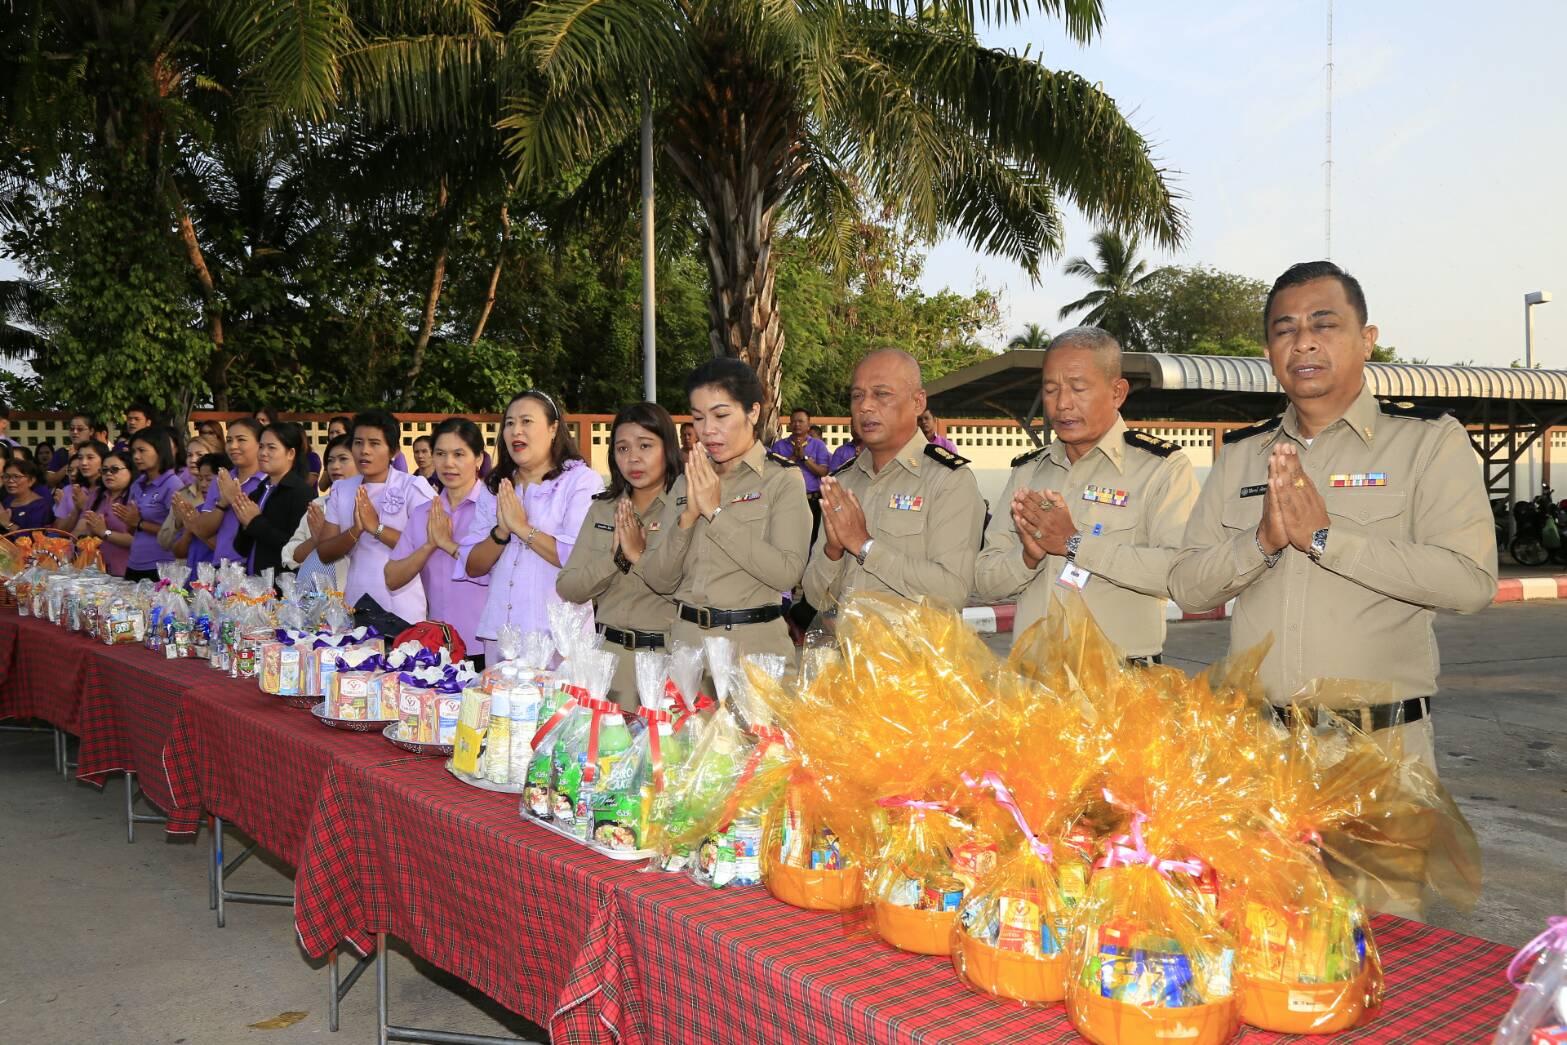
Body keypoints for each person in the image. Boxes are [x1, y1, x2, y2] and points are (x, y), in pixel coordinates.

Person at [1168, 261, 1498, 916]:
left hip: (1375, 754)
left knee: (1379, 943)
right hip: (1262, 754)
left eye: (1324, 324)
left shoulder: (1425, 442)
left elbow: (1469, 580)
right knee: (1262, 936)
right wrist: (1261, 542)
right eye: (1284, 329)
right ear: (1268, 352)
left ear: (1366, 339)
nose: (1303, 343)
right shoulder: (1242, 454)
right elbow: (1186, 582)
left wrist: (1325, 538)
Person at [974, 327, 1199, 662]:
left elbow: (1183, 576)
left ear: (1117, 392)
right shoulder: (1028, 471)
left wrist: (1075, 543)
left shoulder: (1161, 469)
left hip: (1120, 682)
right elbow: (984, 580)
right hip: (1033, 681)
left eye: (1078, 388)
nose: (1062, 404)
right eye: (1051, 390)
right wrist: (1027, 558)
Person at [636, 359, 810, 670]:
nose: (707, 430)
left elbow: (787, 573)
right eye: (698, 417)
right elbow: (657, 578)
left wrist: (715, 513)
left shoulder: (781, 479)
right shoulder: (686, 482)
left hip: (754, 651)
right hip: (688, 649)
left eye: (721, 415)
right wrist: (687, 519)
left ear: (752, 412)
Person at [803, 350, 985, 615]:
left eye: (881, 394)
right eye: (857, 396)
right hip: (847, 642)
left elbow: (952, 592)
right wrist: (834, 551)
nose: (865, 406)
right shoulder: (843, 482)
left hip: (915, 643)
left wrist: (864, 546)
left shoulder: (949, 480)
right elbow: (815, 598)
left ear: (918, 402)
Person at [557, 403, 685, 709]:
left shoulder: (686, 509)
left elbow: (690, 588)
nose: (633, 458)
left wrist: (640, 556)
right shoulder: (604, 509)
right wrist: (616, 559)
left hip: (667, 661)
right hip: (608, 660)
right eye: (622, 448)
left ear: (668, 448)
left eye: (645, 446)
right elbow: (569, 587)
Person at [464, 391, 602, 661]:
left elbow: (577, 556)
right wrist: (502, 532)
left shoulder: (581, 481)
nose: (516, 431)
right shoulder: (497, 485)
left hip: (560, 640)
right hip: (503, 638)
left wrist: (522, 527)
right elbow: (472, 565)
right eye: (510, 423)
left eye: (526, 421)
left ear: (553, 428)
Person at [386, 419, 493, 663]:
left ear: (478, 458)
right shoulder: (424, 513)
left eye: (459, 454)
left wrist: (447, 544)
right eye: (441, 454)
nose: (448, 463)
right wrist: (430, 545)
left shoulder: (495, 509)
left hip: (487, 647)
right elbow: (392, 577)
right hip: (437, 647)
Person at [315, 410, 435, 624]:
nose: (364, 451)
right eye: (358, 443)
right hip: (356, 600)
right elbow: (324, 553)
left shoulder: (412, 487)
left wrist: (376, 528)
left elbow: (427, 545)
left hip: (403, 605)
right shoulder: (342, 489)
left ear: (393, 451)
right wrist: (355, 531)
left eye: (374, 443)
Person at [232, 422, 314, 579]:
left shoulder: (301, 493)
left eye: (271, 447)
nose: (263, 453)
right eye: (261, 446)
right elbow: (241, 548)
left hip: (283, 583)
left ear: (290, 453)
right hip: (254, 581)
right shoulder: (258, 491)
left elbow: (296, 548)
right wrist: (245, 522)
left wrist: (255, 522)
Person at [181, 417, 265, 568]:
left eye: (241, 440)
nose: (233, 446)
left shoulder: (267, 481)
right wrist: (222, 503)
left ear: (260, 444)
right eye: (229, 440)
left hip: (255, 568)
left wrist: (234, 499)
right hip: (222, 567)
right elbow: (204, 530)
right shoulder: (222, 478)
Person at [283, 434, 353, 594]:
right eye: (330, 460)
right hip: (309, 600)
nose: (334, 466)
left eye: (343, 459)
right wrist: (315, 541)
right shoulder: (318, 505)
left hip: (350, 600)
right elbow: (292, 556)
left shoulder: (368, 506)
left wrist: (328, 539)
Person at [119, 426, 182, 581]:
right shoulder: (137, 484)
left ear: (160, 451)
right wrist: (129, 520)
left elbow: (178, 533)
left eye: (142, 450)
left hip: (162, 567)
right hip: (135, 562)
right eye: (133, 451)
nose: (136, 456)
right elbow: (132, 529)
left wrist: (140, 523)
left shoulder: (173, 485)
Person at [770, 408, 831, 547]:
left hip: (812, 500)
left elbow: (823, 472)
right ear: (789, 425)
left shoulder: (818, 445)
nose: (797, 424)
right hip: (786, 499)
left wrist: (804, 458)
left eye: (801, 421)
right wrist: (793, 457)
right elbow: (774, 473)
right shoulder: (779, 446)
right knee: (788, 539)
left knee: (812, 540)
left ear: (808, 424)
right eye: (794, 421)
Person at [158, 436, 220, 560]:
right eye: (189, 455)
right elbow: (164, 542)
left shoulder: (226, 494)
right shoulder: (183, 494)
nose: (193, 460)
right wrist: (178, 521)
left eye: (199, 455)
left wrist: (195, 524)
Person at [77, 449, 135, 577]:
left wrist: (104, 532)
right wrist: (88, 533)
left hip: (126, 573)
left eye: (114, 469)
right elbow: (82, 531)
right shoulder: (97, 495)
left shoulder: (136, 498)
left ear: (131, 471)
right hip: (96, 573)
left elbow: (137, 540)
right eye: (104, 470)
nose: (108, 473)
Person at [170, 451, 229, 571]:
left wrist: (196, 527)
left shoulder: (229, 512)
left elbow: (225, 553)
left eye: (208, 479)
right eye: (200, 479)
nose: (203, 484)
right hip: (193, 578)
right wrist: (188, 530)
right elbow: (179, 553)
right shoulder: (196, 509)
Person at [53, 439, 110, 533]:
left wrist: (85, 506)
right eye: (80, 458)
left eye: (90, 457)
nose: (83, 463)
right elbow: (60, 530)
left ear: (104, 460)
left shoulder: (109, 490)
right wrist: (77, 508)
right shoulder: (71, 489)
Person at [0, 458, 55, 533]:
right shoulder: (7, 500)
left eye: (16, 476)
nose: (10, 480)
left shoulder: (40, 506)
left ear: (31, 480)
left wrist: (8, 524)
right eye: (6, 476)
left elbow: (32, 537)